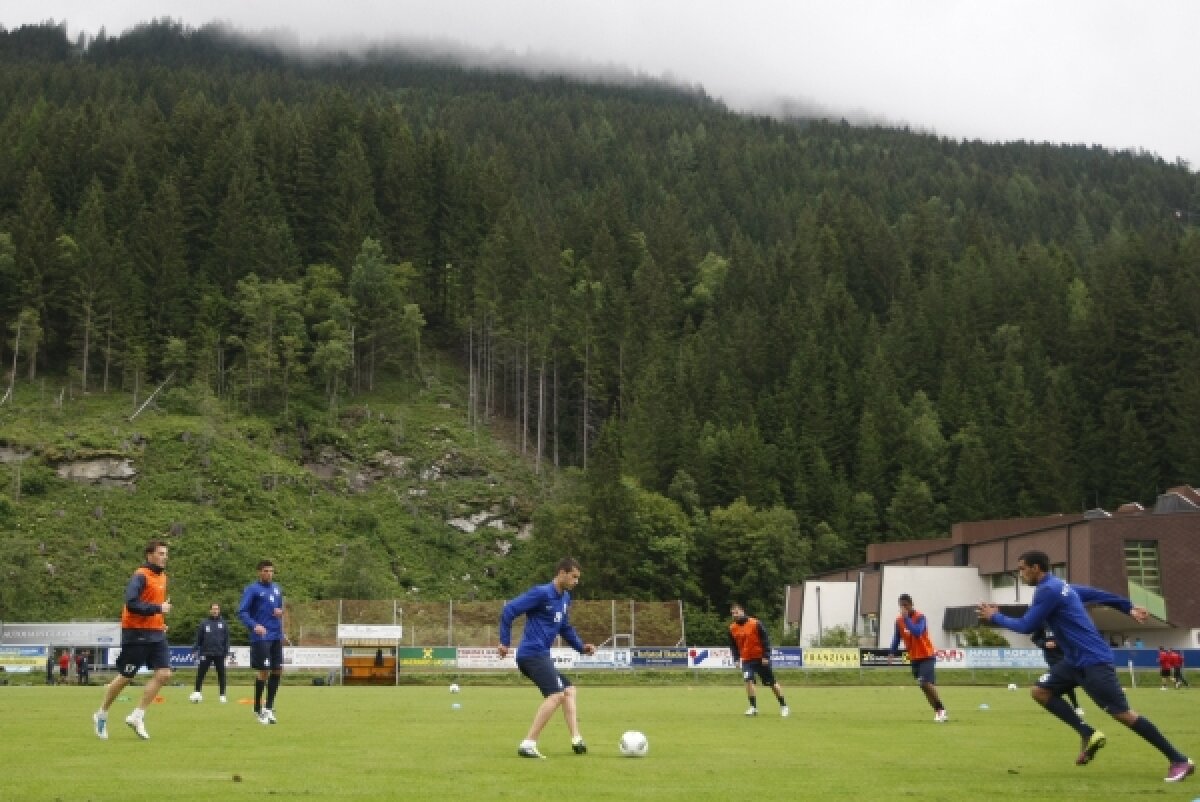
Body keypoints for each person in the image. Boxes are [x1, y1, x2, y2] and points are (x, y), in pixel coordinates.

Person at [979, 550, 1194, 783]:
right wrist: (1127, 607)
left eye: (1022, 569)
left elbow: (1026, 625)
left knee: (1122, 714)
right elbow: (1096, 594)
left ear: (1036, 568)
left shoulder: (1048, 590)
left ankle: (1179, 759)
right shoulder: (1060, 586)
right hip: (1074, 661)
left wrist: (995, 617)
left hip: (1093, 661)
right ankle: (1087, 732)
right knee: (1040, 691)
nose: (1020, 574)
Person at [498, 557, 596, 759]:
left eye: (578, 578)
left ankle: (576, 739)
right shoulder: (541, 593)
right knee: (556, 695)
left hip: (541, 654)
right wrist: (505, 642)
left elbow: (564, 627)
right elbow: (509, 610)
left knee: (569, 691)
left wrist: (581, 647)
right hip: (531, 654)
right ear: (562, 573)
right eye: (573, 577)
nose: (576, 582)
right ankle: (528, 743)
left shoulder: (565, 598)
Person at [92, 539, 173, 740]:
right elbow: (131, 603)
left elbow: (154, 604)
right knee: (126, 677)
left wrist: (160, 620)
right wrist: (158, 609)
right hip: (136, 633)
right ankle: (101, 713)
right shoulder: (140, 576)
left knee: (164, 674)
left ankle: (137, 716)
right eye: (161, 553)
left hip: (155, 633)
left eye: (166, 553)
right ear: (150, 555)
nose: (165, 557)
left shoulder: (163, 577)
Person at [888, 593, 948, 722]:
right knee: (923, 685)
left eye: (906, 605)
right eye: (901, 606)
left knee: (925, 682)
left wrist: (907, 619)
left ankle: (941, 709)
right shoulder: (899, 621)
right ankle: (938, 711)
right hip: (914, 657)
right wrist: (892, 652)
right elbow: (897, 637)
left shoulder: (920, 617)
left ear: (911, 604)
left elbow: (917, 632)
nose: (904, 608)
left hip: (926, 655)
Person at [238, 559, 285, 724]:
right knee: (264, 671)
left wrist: (280, 614)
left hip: (275, 635)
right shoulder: (252, 590)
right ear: (259, 572)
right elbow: (242, 612)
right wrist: (254, 625)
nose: (269, 574)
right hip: (261, 636)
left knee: (278, 670)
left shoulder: (277, 589)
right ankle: (258, 707)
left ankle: (269, 707)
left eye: (271, 571)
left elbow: (278, 610)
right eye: (265, 571)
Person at [728, 602, 789, 717]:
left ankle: (784, 706)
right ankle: (753, 707)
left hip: (760, 659)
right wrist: (736, 659)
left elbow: (765, 640)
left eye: (736, 612)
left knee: (772, 683)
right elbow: (733, 645)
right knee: (748, 680)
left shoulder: (755, 623)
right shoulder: (732, 628)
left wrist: (766, 656)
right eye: (732, 613)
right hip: (746, 660)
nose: (734, 615)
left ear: (742, 611)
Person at [191, 602, 231, 703]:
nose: (215, 611)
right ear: (210, 610)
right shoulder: (204, 623)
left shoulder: (223, 623)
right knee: (200, 673)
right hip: (206, 653)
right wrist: (195, 649)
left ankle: (222, 695)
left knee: (221, 674)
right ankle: (197, 692)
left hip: (219, 653)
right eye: (213, 609)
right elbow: (198, 638)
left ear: (219, 610)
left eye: (217, 609)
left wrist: (226, 652)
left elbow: (227, 640)